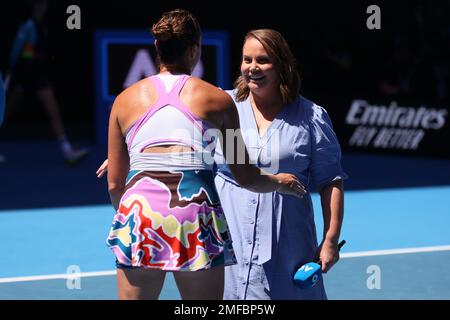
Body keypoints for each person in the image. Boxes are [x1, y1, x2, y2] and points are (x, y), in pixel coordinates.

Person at [104, 9, 305, 300]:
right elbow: (246, 176)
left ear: (158, 47)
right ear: (194, 49)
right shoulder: (219, 100)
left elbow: (114, 184)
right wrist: (279, 182)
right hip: (194, 214)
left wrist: (137, 215)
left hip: (139, 211)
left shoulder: (123, 100)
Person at [213, 29, 347, 300]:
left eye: (262, 60)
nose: (253, 68)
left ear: (283, 65)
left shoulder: (312, 117)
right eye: (247, 59)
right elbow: (177, 136)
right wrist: (135, 151)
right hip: (229, 244)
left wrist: (330, 239)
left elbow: (330, 181)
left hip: (289, 246)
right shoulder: (221, 106)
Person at [4, 0, 88, 165]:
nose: (42, 6)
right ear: (34, 6)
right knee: (7, 111)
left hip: (37, 74)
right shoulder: (28, 26)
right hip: (23, 72)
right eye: (39, 3)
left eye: (44, 3)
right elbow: (16, 51)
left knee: (53, 110)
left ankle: (67, 151)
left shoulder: (44, 25)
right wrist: (11, 73)